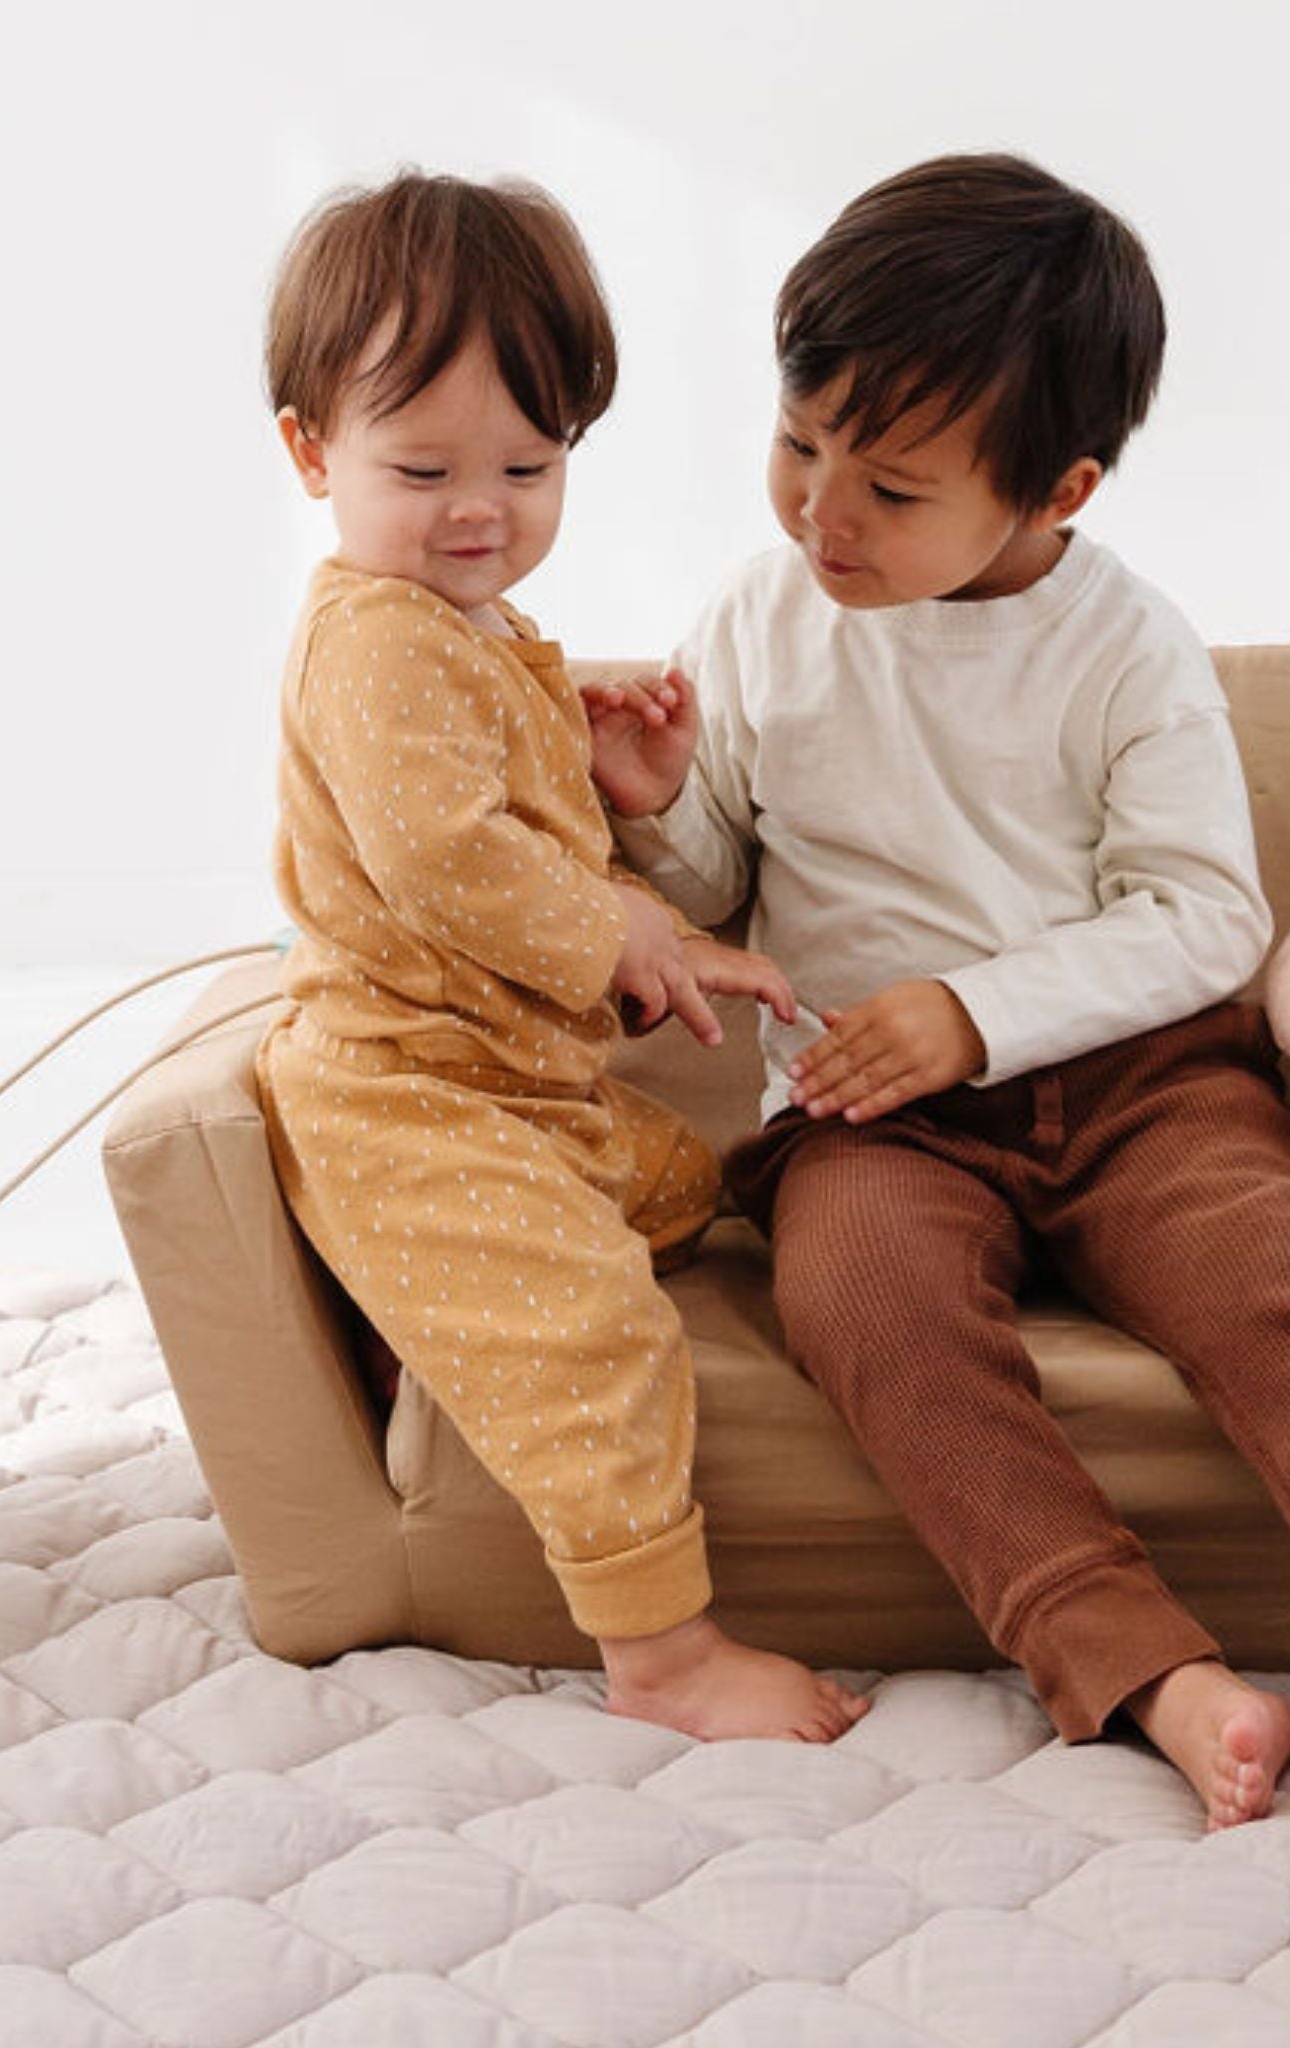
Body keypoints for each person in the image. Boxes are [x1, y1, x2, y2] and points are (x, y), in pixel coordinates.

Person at [590, 151, 1290, 1854]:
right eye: (798, 446)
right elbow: (701, 911)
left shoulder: (1127, 649)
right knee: (867, 1306)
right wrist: (656, 811)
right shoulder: (761, 621)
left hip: (1142, 1093)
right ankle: (1148, 1674)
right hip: (864, 1122)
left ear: (1059, 494)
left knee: (1287, 1288)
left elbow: (1203, 917)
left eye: (889, 489)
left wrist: (975, 1012)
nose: (823, 514)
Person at [254, 168, 870, 1742]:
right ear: (311, 451)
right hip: (414, 1094)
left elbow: (493, 794)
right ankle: (661, 1656)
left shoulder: (476, 631)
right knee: (593, 1327)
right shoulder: (377, 633)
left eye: (530, 465)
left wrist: (603, 780)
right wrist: (629, 922)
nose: (482, 508)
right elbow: (447, 857)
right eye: (425, 466)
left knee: (696, 1192)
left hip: (527, 1088)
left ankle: (421, 1317)